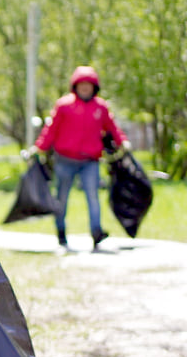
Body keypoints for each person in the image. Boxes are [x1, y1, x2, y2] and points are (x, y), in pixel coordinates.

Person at [30, 65, 130, 250]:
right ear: (75, 86)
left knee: (93, 196)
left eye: (89, 85)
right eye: (82, 85)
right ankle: (61, 233)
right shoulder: (64, 105)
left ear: (94, 87)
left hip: (90, 161)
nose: (85, 88)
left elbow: (112, 127)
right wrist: (39, 148)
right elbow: (50, 131)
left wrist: (122, 141)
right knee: (61, 198)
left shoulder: (100, 107)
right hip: (65, 160)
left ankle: (96, 232)